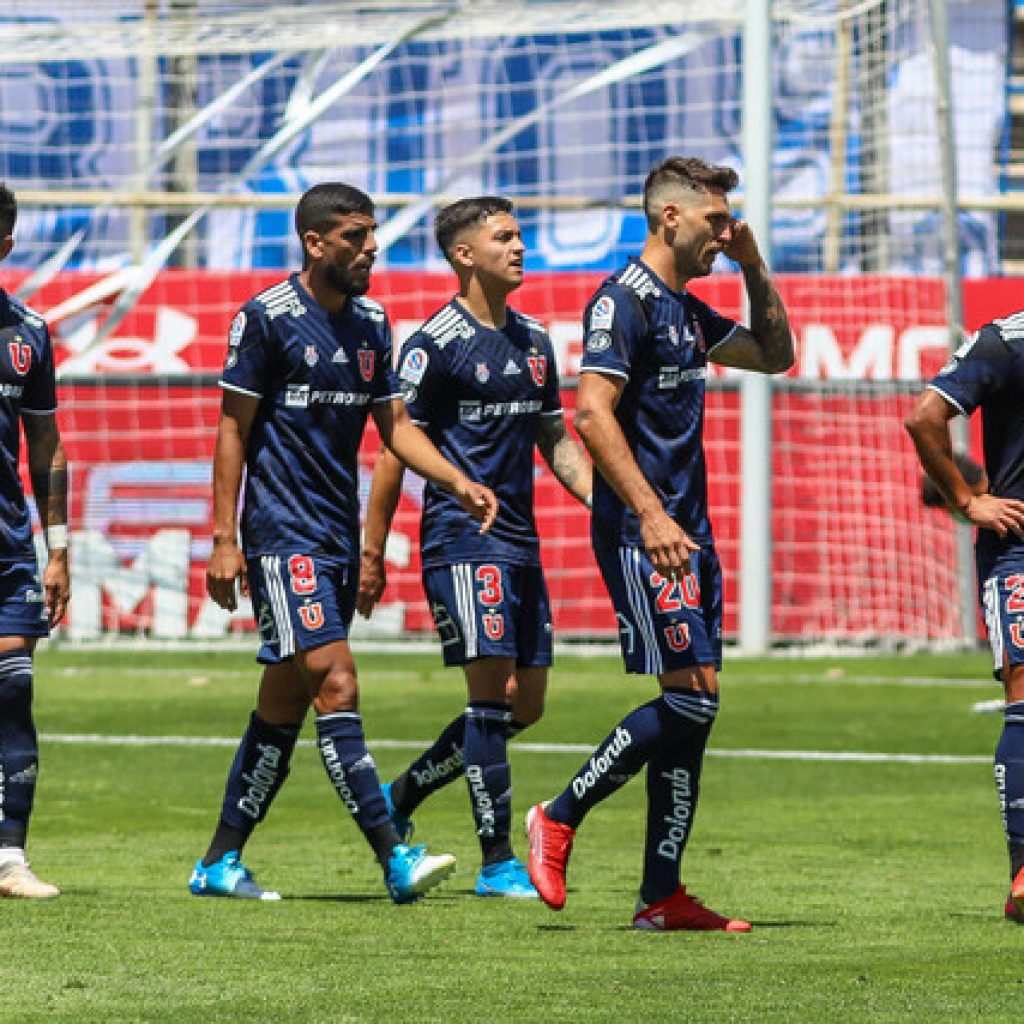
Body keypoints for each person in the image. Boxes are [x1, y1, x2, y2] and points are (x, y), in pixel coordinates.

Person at [188, 182, 498, 903]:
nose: (371, 248)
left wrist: (454, 480)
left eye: (372, 234)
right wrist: (223, 539)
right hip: (279, 535)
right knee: (337, 682)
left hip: (331, 535)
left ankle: (218, 863)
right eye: (356, 237)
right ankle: (395, 857)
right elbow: (232, 427)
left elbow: (395, 427)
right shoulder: (265, 319)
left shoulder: (370, 325)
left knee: (283, 709)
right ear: (316, 242)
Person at [524, 156, 794, 931]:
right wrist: (648, 514)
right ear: (670, 217)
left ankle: (660, 896)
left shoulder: (685, 309)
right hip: (649, 532)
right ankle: (561, 814)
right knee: (691, 698)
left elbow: (776, 356)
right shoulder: (624, 303)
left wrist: (752, 265)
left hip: (689, 533)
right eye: (717, 221)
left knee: (697, 703)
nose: (726, 232)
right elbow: (592, 414)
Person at [357, 196, 592, 899]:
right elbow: (397, 446)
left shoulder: (533, 342)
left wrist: (611, 504)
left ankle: (399, 796)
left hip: (522, 541)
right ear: (465, 254)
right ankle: (497, 863)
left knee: (528, 706)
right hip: (463, 542)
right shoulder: (434, 344)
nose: (520, 247)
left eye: (520, 235)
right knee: (491, 700)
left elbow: (555, 440)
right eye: (504, 237)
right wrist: (374, 549)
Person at [905, 310, 1024, 923]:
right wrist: (966, 499)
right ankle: (1023, 873)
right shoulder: (1005, 340)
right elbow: (925, 416)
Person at [0, 182, 70, 899]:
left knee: (12, 692)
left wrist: (59, 548)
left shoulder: (27, 333)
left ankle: (8, 858)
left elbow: (47, 446)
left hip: (8, 548)